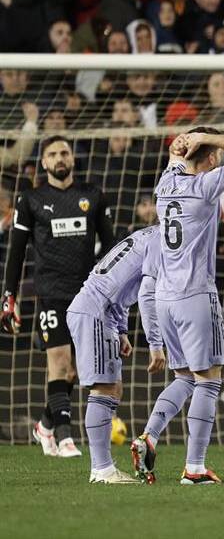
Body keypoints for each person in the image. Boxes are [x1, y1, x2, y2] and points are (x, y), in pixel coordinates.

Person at [133, 127, 224, 485]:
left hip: (165, 298)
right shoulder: (205, 187)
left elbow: (176, 158)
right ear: (213, 157)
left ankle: (149, 436)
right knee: (208, 381)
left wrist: (182, 146)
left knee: (185, 377)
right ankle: (195, 467)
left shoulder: (165, 184)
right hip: (195, 295)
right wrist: (207, 136)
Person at [1, 136, 116, 459]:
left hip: (87, 295)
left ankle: (44, 425)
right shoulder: (31, 200)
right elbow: (16, 252)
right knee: (60, 363)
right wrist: (8, 296)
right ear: (44, 162)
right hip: (50, 293)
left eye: (64, 152)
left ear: (72, 158)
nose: (59, 158)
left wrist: (113, 292)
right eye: (52, 154)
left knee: (74, 372)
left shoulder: (92, 196)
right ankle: (65, 439)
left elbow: (110, 248)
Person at [67, 227, 164, 484]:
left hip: (102, 311)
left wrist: (121, 331)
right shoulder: (160, 241)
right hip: (95, 310)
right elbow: (146, 294)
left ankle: (103, 468)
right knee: (104, 388)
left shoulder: (144, 235)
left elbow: (119, 284)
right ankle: (102, 470)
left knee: (114, 387)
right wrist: (155, 344)